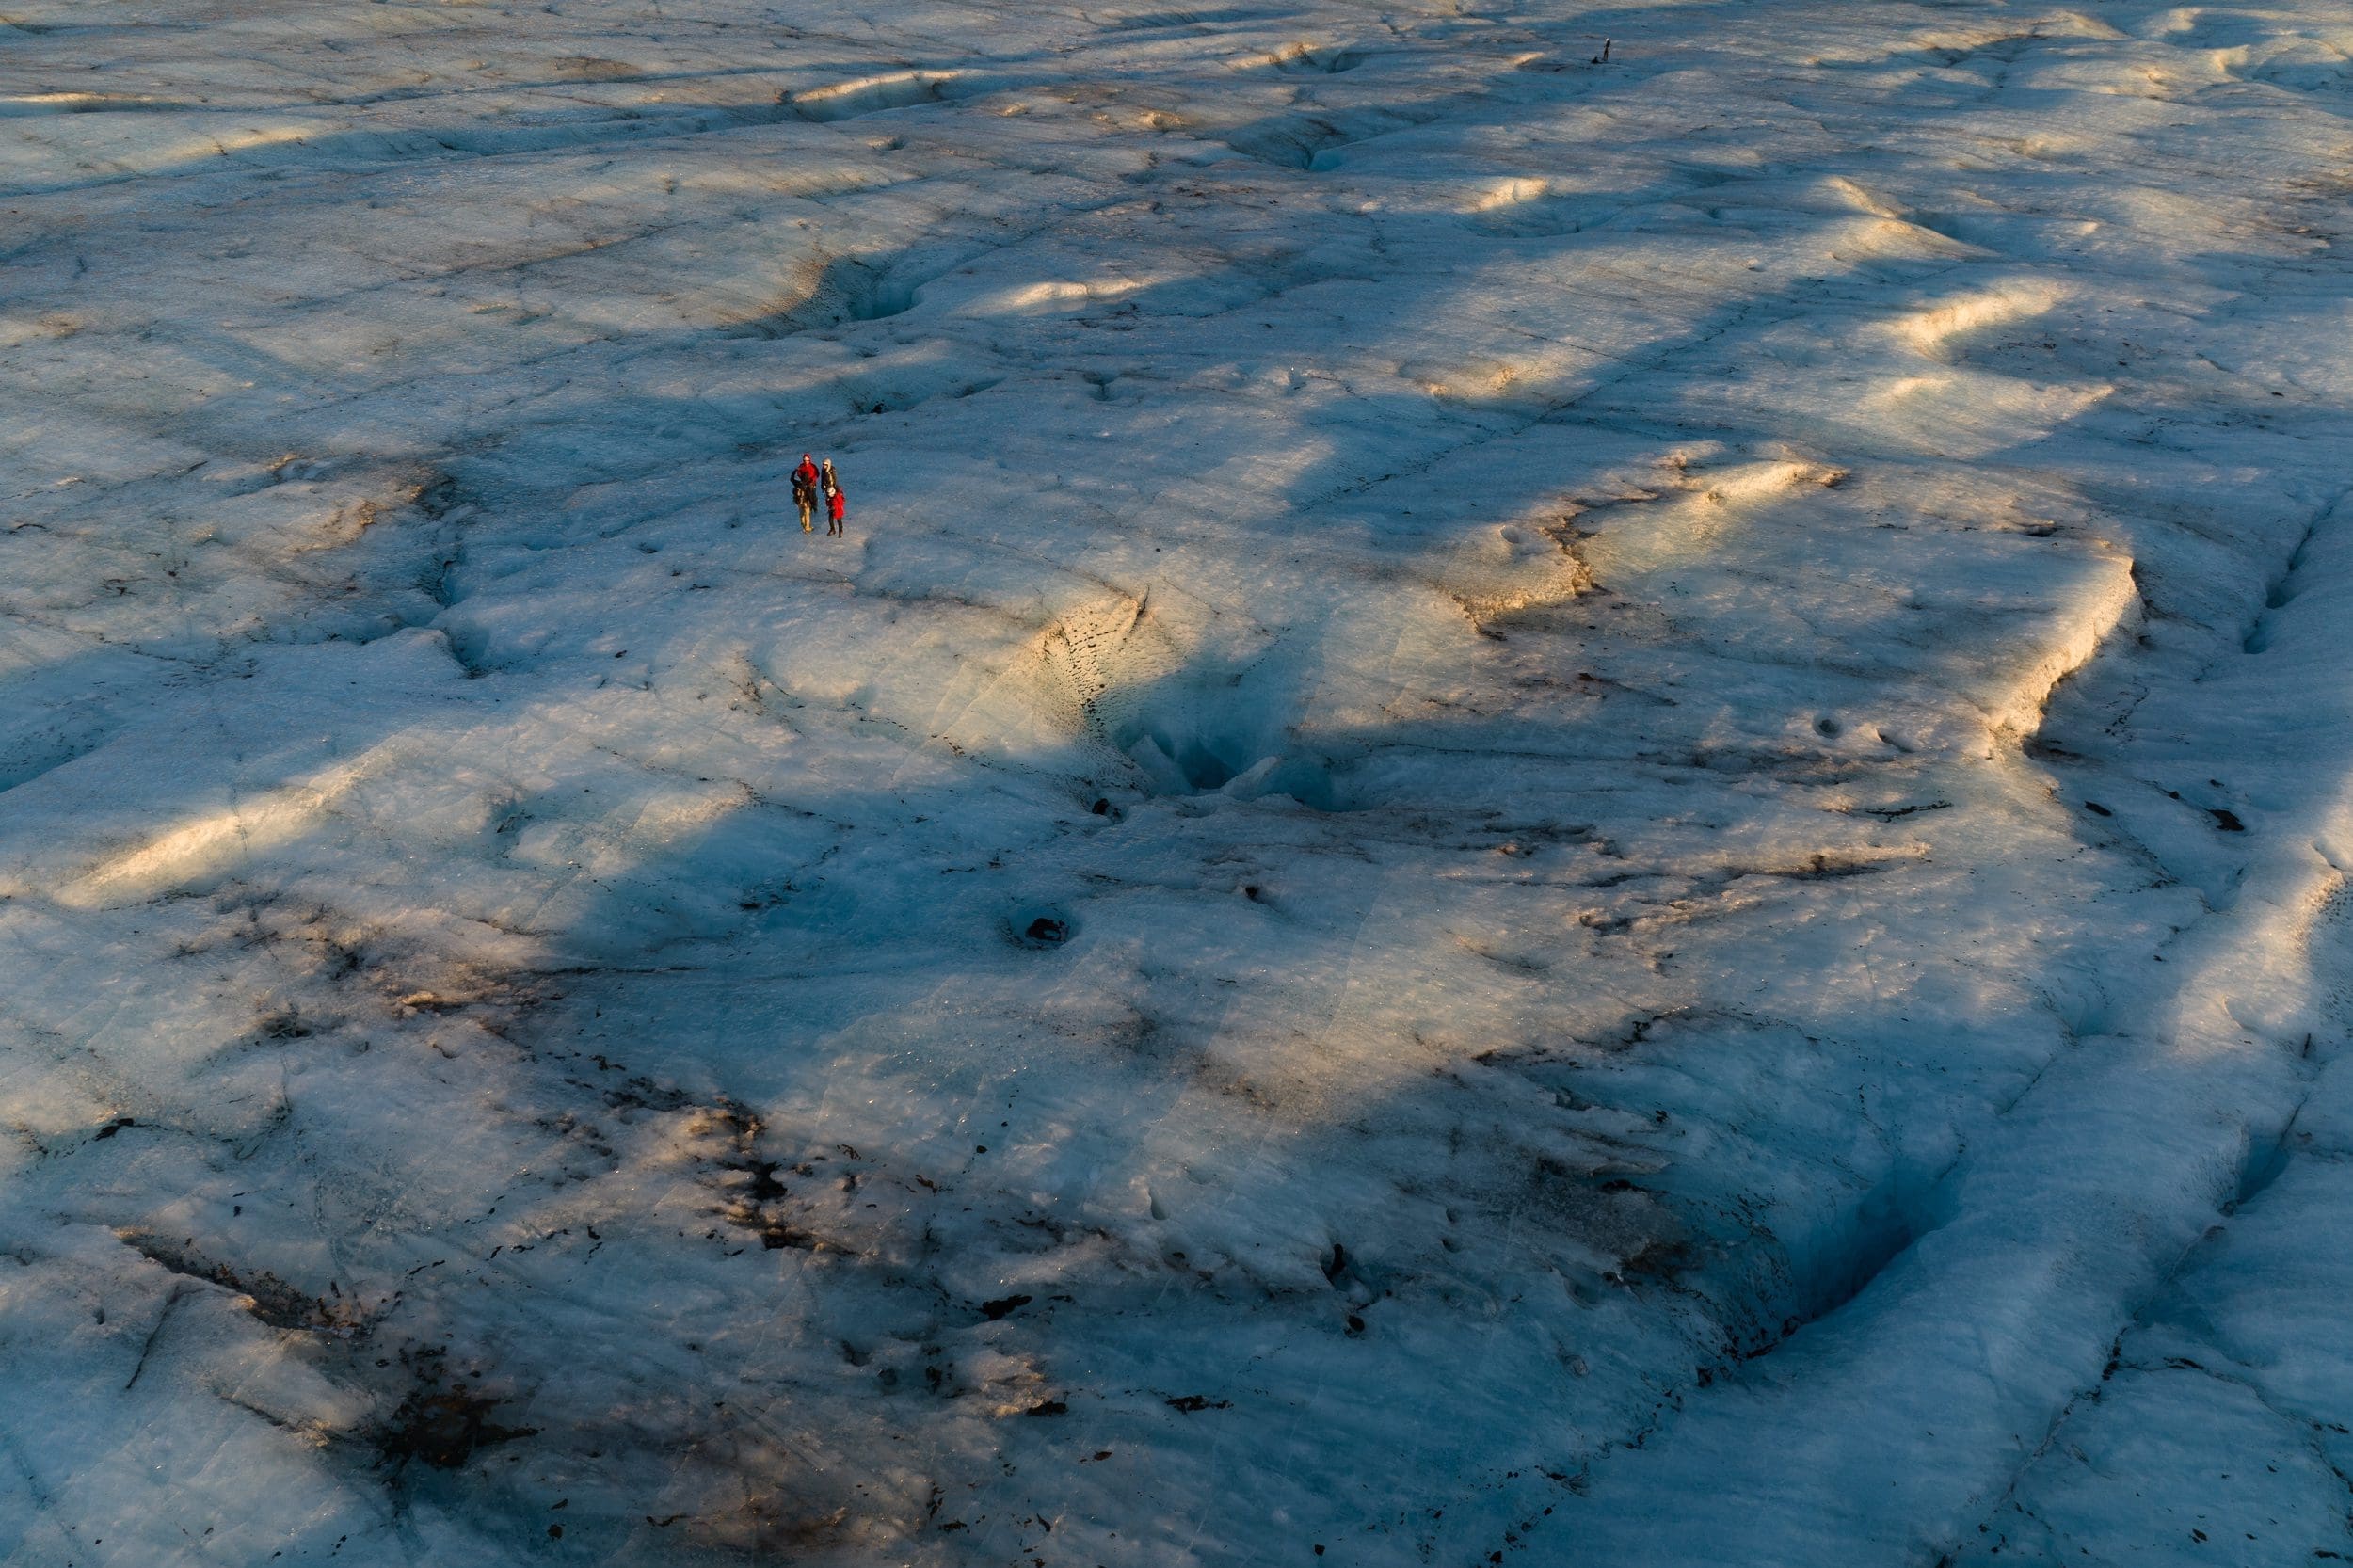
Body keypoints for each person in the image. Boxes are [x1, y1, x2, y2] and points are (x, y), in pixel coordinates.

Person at [791, 454, 820, 532]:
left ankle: (804, 525)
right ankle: (807, 526)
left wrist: (812, 480)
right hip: (807, 488)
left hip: (807, 489)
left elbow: (817, 474)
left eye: (807, 460)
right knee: (807, 510)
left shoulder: (813, 466)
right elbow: (800, 474)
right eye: (804, 460)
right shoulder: (802, 467)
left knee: (802, 512)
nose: (806, 462)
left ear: (809, 460)